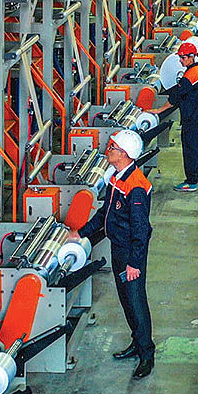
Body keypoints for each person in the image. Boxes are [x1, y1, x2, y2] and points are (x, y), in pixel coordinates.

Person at [69, 129, 155, 378]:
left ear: (124, 154)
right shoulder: (117, 177)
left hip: (130, 253)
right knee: (126, 301)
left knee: (136, 302)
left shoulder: (135, 187)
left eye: (113, 148)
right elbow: (104, 213)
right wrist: (81, 233)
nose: (108, 151)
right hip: (118, 247)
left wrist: (134, 263)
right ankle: (137, 343)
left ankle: (147, 354)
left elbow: (141, 230)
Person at [155, 41, 198, 192]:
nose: (180, 60)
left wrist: (159, 110)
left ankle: (191, 182)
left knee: (190, 149)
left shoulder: (189, 77)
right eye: (180, 57)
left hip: (190, 119)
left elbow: (175, 98)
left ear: (192, 57)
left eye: (183, 57)